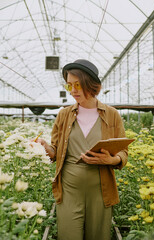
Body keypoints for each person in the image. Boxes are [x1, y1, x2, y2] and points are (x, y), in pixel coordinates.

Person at [36, 59, 128, 240]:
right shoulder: (64, 114)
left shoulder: (111, 114)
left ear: (91, 85)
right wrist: (45, 148)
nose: (73, 90)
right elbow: (54, 152)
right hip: (69, 189)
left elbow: (123, 151)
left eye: (77, 84)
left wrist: (112, 160)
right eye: (69, 85)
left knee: (98, 236)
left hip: (101, 191)